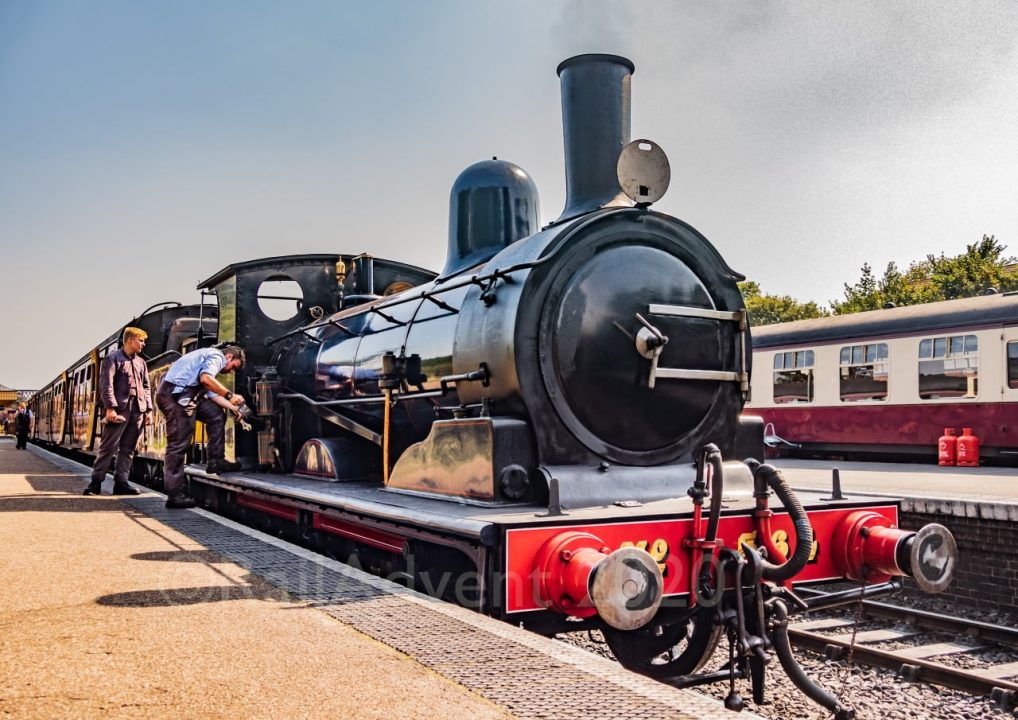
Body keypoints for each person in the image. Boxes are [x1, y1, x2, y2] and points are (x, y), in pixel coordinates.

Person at [155, 344, 246, 509]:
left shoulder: (205, 358)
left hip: (187, 394)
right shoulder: (217, 356)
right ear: (230, 357)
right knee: (178, 443)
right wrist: (230, 395)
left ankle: (215, 460)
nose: (231, 371)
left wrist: (232, 407)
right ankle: (174, 495)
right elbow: (206, 380)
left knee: (216, 415)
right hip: (175, 396)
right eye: (233, 367)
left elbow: (210, 392)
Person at [83, 327, 153, 496]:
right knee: (108, 447)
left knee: (128, 449)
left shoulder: (141, 362)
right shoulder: (112, 358)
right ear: (130, 340)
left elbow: (146, 387)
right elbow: (106, 385)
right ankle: (95, 483)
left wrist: (149, 410)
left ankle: (121, 483)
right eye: (141, 340)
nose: (143, 344)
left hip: (138, 409)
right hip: (119, 409)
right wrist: (110, 408)